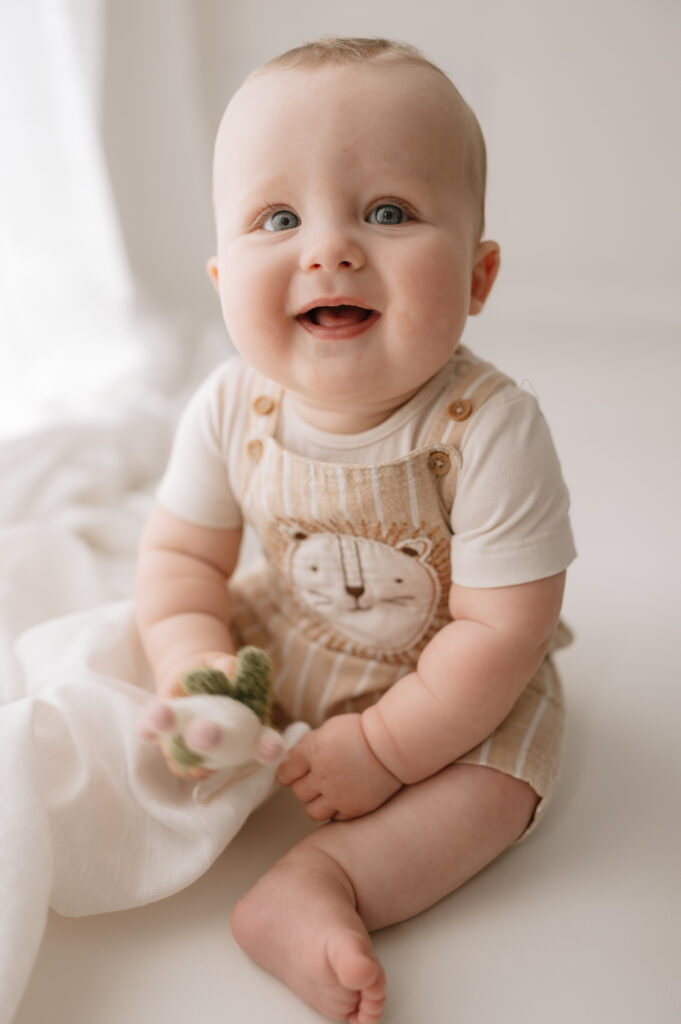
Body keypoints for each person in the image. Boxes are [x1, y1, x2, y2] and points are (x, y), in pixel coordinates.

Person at [135, 36, 576, 1023]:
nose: (328, 248)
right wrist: (196, 666)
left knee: (495, 791)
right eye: (278, 217)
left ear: (477, 277)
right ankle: (188, 741)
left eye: (388, 212)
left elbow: (503, 628)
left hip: (454, 685)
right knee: (143, 689)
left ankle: (320, 882)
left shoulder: (491, 429)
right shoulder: (226, 404)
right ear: (218, 276)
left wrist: (383, 747)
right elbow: (179, 562)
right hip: (290, 632)